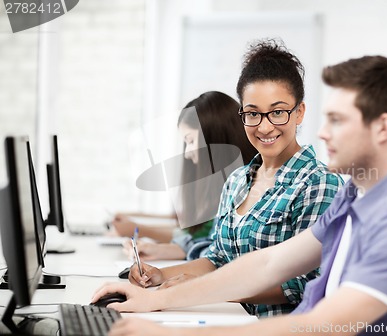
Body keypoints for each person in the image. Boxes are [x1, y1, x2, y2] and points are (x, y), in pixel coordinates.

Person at [94, 55, 387, 336]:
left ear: (383, 128)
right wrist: (154, 300)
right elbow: (268, 265)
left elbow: (323, 327)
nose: (321, 132)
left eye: (337, 120)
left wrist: (177, 333)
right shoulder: (358, 194)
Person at [111, 39, 341, 317]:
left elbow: (306, 284)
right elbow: (218, 259)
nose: (265, 126)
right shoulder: (236, 181)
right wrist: (161, 274)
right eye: (253, 114)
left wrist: (203, 289)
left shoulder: (318, 184)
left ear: (299, 112)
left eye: (278, 112)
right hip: (227, 315)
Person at [119, 91, 258, 260]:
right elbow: (208, 244)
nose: (187, 153)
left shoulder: (247, 187)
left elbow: (213, 249)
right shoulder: (227, 185)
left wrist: (140, 229)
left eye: (190, 141)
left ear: (213, 138)